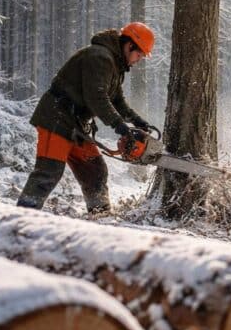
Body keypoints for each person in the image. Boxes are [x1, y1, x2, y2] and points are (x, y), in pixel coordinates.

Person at [17, 22, 157, 213]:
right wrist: (119, 126)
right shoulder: (99, 57)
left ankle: (100, 215)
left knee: (95, 171)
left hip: (76, 124)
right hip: (57, 117)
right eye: (139, 54)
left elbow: (116, 100)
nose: (138, 60)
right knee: (48, 172)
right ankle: (23, 216)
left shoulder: (115, 64)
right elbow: (96, 98)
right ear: (129, 45)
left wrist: (136, 120)